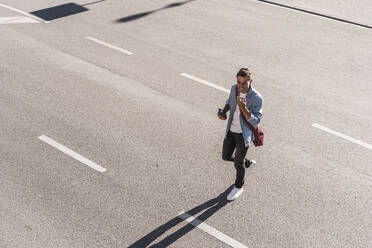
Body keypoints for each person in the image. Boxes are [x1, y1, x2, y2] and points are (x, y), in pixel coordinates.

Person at [217, 68, 263, 201]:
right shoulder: (234, 89)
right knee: (225, 156)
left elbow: (256, 120)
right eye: (239, 82)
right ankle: (246, 163)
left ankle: (239, 186)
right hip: (231, 130)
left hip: (244, 135)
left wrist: (244, 108)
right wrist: (223, 112)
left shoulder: (257, 98)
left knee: (238, 164)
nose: (241, 86)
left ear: (251, 82)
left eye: (244, 83)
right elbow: (229, 101)